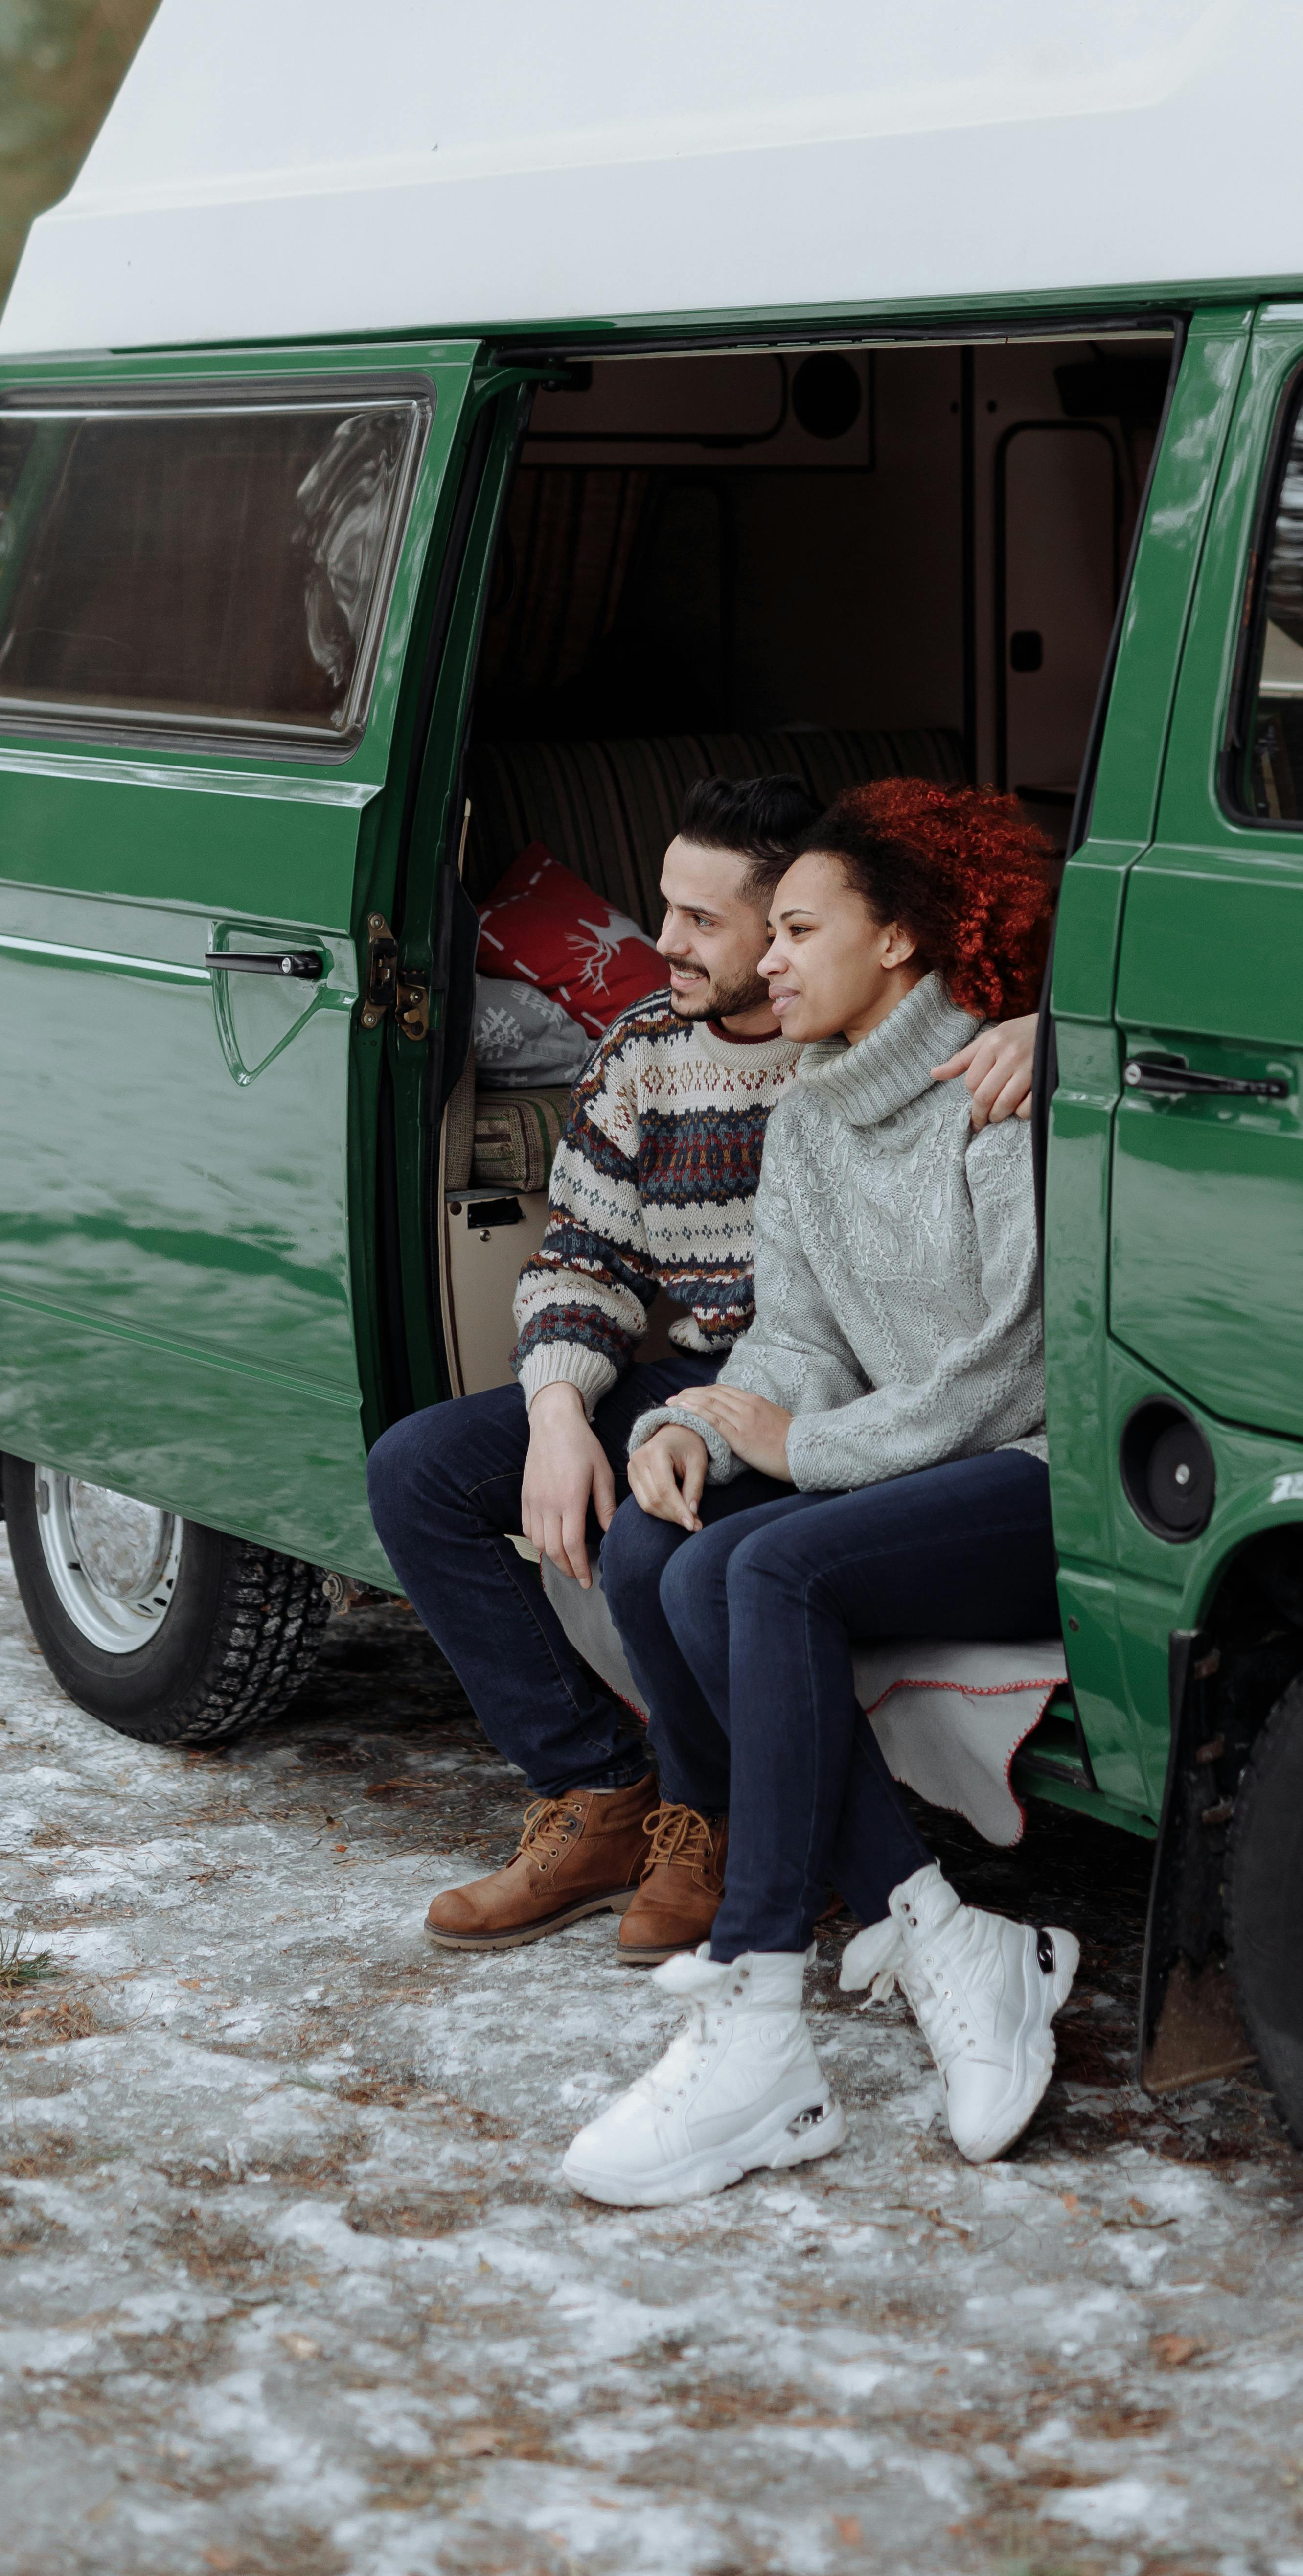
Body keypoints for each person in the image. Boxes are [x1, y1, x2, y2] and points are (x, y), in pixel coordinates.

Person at [366, 773, 1038, 1967]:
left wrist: (1065, 1025)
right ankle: (606, 1792)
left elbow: (1060, 983)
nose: (662, 943)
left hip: (868, 1409)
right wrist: (569, 1409)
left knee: (678, 1556)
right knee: (420, 1467)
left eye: (718, 921)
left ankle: (734, 1844)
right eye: (667, 910)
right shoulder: (667, 1056)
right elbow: (590, 1254)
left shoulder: (937, 1052)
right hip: (718, 1379)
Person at [560, 778, 1075, 2210]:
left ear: (899, 939)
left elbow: (1008, 1368)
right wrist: (701, 1435)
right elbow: (795, 1340)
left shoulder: (995, 1085)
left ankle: (757, 2000)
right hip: (902, 1470)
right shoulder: (810, 1118)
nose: (765, 957)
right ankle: (944, 1930)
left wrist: (802, 1452)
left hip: (1029, 1475)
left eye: (797, 926)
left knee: (765, 1570)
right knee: (665, 1553)